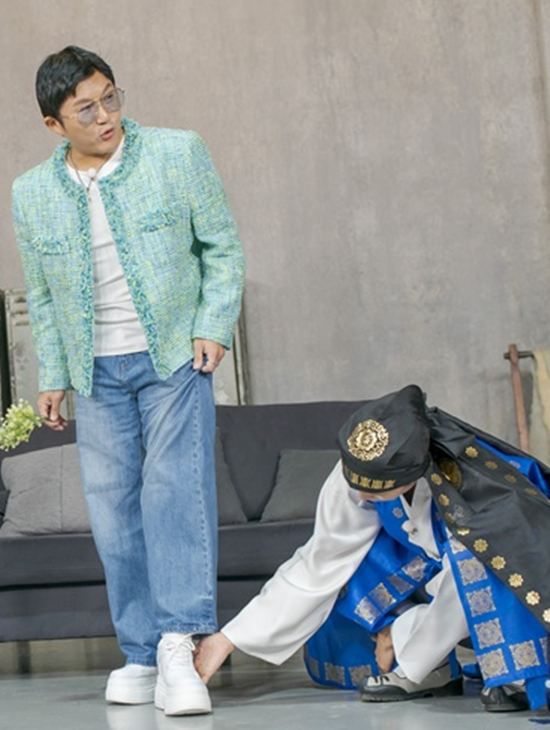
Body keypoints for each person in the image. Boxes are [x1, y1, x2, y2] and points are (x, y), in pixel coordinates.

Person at [12, 46, 245, 716]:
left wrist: (213, 324)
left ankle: (178, 643)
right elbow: (44, 296)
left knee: (174, 495)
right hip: (95, 372)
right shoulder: (31, 192)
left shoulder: (176, 152)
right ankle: (140, 651)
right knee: (113, 514)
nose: (106, 116)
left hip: (173, 356)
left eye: (110, 97)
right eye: (85, 109)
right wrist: (54, 375)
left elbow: (222, 247)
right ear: (54, 124)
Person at [196, 385, 550, 713]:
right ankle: (429, 665)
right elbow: (322, 562)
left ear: (416, 472)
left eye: (378, 491)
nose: (363, 495)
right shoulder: (356, 470)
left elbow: (514, 557)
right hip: (427, 571)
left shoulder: (472, 477)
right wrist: (228, 638)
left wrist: (406, 639)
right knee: (347, 570)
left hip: (497, 579)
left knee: (470, 562)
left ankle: (436, 660)